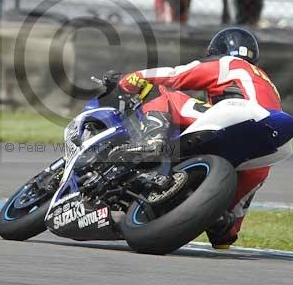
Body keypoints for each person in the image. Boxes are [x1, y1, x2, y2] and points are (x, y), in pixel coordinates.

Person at [113, 27, 282, 250]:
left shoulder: (228, 64)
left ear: (217, 50)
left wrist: (129, 80)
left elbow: (175, 75)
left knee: (161, 92)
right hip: (265, 152)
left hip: (237, 120)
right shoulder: (269, 83)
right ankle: (221, 220)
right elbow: (224, 242)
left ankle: (153, 141)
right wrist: (222, 226)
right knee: (225, 234)